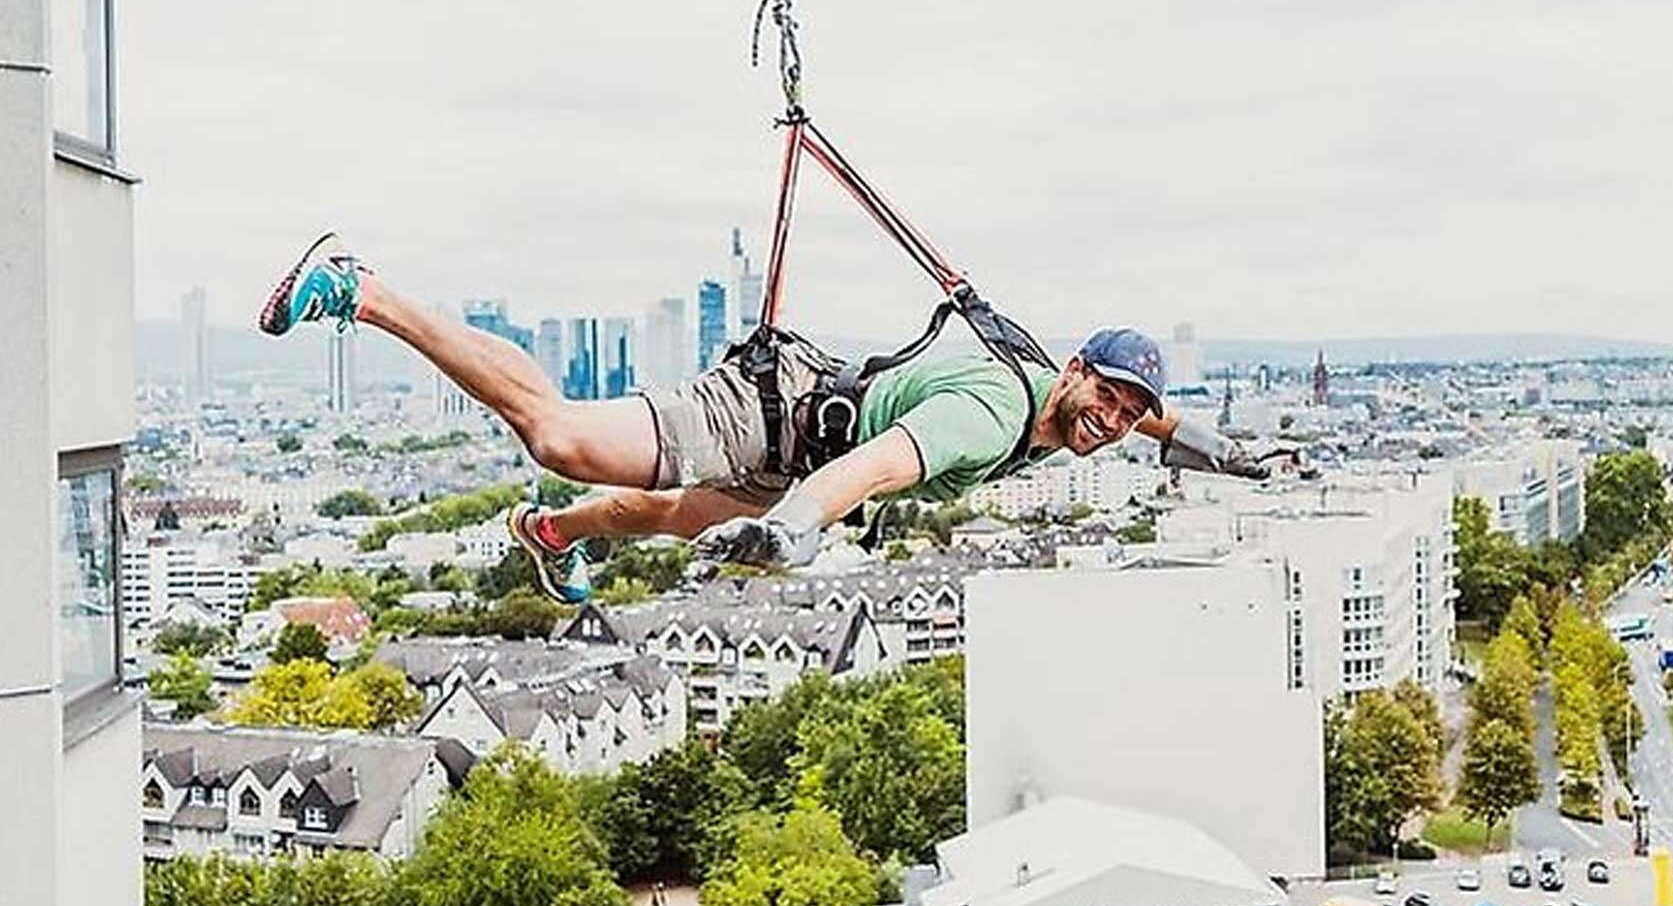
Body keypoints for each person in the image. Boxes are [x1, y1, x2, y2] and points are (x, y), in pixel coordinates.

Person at [260, 233, 1272, 602]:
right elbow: (873, 469)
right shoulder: (995, 408)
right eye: (1112, 397)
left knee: (655, 516)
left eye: (1132, 408)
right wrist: (790, 530)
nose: (1117, 419)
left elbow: (1151, 424)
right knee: (563, 439)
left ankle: (553, 533)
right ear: (1079, 370)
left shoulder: (1069, 399)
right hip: (768, 422)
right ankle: (365, 290)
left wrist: (1230, 456)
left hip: (794, 452)